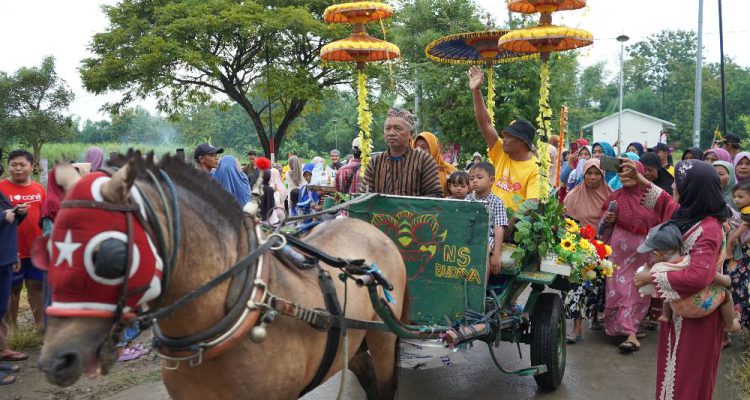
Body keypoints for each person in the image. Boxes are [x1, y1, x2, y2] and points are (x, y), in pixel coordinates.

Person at [631, 160, 731, 400]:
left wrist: (651, 276)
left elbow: (698, 276)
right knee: (674, 373)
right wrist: (640, 180)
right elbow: (667, 202)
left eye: (679, 182)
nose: (673, 185)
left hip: (699, 319)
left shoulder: (708, 229)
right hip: (681, 311)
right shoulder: (687, 214)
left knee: (689, 378)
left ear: (693, 189)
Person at [599, 159, 678, 352]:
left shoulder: (650, 198)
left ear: (639, 174)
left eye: (630, 172)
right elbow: (602, 227)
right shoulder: (615, 196)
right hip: (619, 252)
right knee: (617, 288)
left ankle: (630, 332)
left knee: (638, 288)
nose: (625, 176)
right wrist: (607, 219)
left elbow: (661, 219)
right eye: (622, 172)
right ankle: (621, 328)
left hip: (645, 252)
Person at [637, 222, 739, 332]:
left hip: (680, 309)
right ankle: (730, 324)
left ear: (657, 254)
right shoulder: (689, 260)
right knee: (726, 295)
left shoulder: (658, 269)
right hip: (701, 305)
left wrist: (644, 276)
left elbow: (651, 291)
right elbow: (706, 274)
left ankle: (666, 316)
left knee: (666, 292)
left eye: (652, 254)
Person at [468, 66, 540, 210]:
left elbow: (532, 203)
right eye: (504, 136)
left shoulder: (535, 169)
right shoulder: (501, 151)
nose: (504, 140)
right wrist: (476, 91)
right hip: (487, 216)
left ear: (522, 141)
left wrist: (506, 221)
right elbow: (485, 124)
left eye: (509, 137)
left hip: (512, 223)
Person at [563, 159, 612, 343]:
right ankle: (577, 328)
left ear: (602, 175)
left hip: (604, 247)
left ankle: (595, 317)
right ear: (583, 175)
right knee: (577, 286)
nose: (592, 177)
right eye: (589, 173)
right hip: (579, 248)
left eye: (596, 173)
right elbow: (567, 223)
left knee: (598, 286)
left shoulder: (611, 195)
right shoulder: (574, 196)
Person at [0, 150, 46, 332]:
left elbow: (45, 218)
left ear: (32, 166)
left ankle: (40, 326)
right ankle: (13, 331)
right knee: (12, 289)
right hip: (11, 250)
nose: (18, 169)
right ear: (8, 166)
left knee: (37, 286)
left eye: (22, 165)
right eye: (13, 165)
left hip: (36, 249)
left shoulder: (39, 189)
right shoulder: (1, 188)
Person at [360, 108, 443, 197]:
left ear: (410, 134)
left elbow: (435, 196)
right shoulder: (375, 162)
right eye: (387, 129)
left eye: (397, 128)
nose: (391, 133)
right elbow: (364, 195)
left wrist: (407, 204)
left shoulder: (424, 161)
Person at [0, 158, 28, 376]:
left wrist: (17, 213)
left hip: (5, 257)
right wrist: (3, 216)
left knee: (1, 308)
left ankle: (2, 352)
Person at [465, 162, 507, 275]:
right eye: (471, 178)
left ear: (492, 180)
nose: (474, 181)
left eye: (479, 177)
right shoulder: (467, 200)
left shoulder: (497, 202)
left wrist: (496, 254)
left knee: (482, 252)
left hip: (487, 237)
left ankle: (482, 285)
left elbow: (499, 228)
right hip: (468, 235)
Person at [726, 182, 750, 330]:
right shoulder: (742, 210)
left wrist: (733, 238)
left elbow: (740, 231)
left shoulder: (747, 211)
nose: (736, 200)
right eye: (734, 196)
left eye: (741, 197)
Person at [414, 132, 457, 196]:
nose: (418, 150)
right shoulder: (410, 168)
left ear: (434, 149)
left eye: (423, 147)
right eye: (416, 147)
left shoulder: (449, 170)